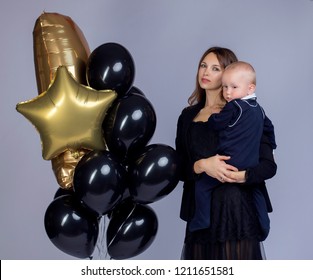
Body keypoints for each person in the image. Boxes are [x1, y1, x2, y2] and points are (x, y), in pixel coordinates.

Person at [175, 47, 277, 260]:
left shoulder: (247, 113)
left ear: (228, 74)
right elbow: (179, 167)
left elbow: (268, 165)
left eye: (215, 68)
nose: (206, 72)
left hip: (237, 213)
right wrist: (202, 165)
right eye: (203, 66)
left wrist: (241, 176)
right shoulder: (187, 116)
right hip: (201, 217)